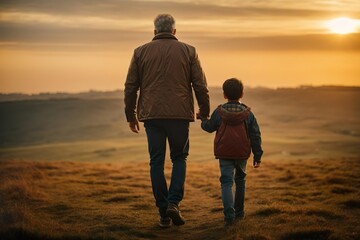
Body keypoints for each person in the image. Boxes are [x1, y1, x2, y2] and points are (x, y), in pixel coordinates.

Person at [124, 14, 210, 228]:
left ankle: (163, 212)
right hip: (179, 115)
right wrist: (204, 111)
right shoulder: (189, 51)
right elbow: (200, 85)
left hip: (151, 115)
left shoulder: (139, 52)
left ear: (154, 32)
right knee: (179, 157)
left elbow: (130, 87)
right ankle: (174, 203)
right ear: (174, 31)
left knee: (156, 161)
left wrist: (131, 116)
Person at [199, 78, 263, 227]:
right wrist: (257, 155)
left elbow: (209, 127)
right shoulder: (248, 114)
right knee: (240, 181)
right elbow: (255, 135)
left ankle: (229, 216)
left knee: (226, 182)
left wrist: (202, 119)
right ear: (242, 94)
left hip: (224, 152)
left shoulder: (219, 111)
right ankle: (239, 213)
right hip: (242, 153)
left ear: (224, 94)